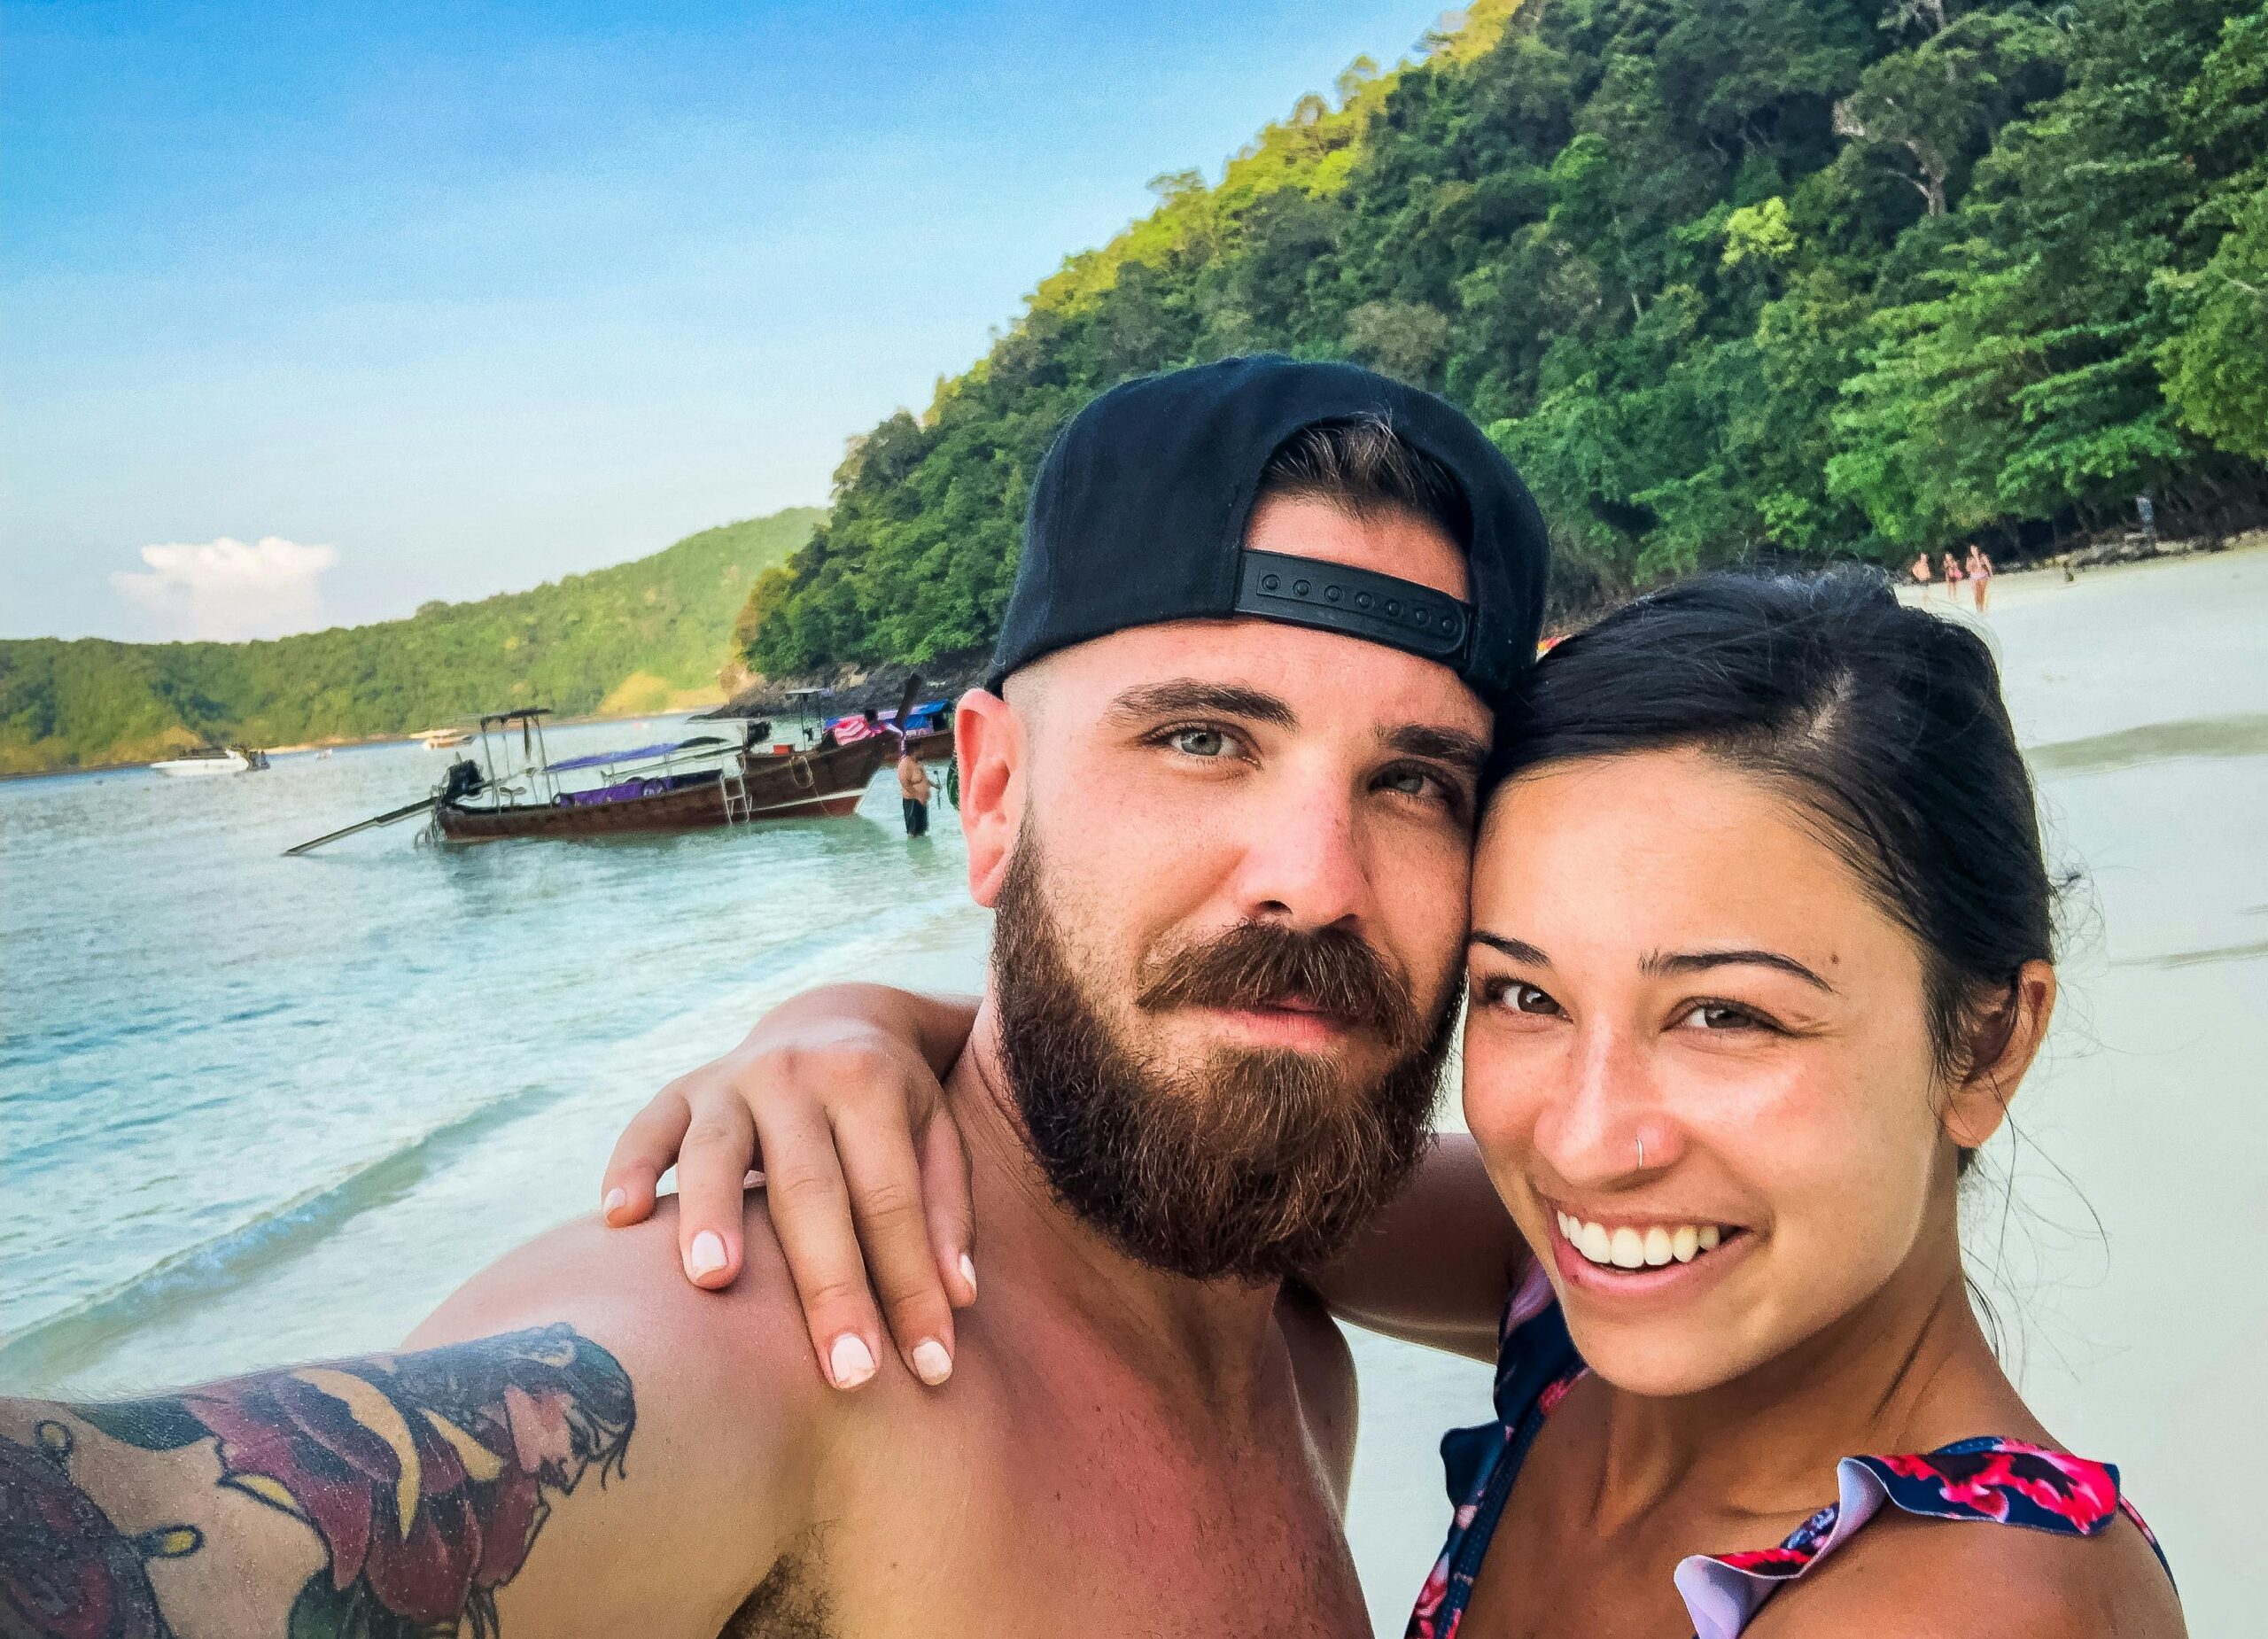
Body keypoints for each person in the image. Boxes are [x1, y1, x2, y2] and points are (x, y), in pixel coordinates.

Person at [0, 355, 1550, 1637]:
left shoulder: (1295, 1341)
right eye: (1204, 738)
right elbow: (155, 1529)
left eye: (1417, 779)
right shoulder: (788, 1349)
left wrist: (867, 1011)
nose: (1319, 878)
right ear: (992, 793)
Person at [608, 574, 2184, 1636]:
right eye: (1521, 996)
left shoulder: (1972, 1604)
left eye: (1724, 1015)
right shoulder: (1577, 1301)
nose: (1582, 1140)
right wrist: (865, 1029)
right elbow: (1201, 1139)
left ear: (1983, 1045)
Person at [896, 741, 932, 836]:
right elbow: (905, 784)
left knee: (922, 830)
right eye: (921, 750)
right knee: (913, 831)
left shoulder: (918, 763)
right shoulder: (905, 764)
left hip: (922, 800)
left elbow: (923, 779)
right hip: (912, 801)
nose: (923, 751)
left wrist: (934, 785)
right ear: (914, 751)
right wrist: (918, 796)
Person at [1969, 542, 1996, 612]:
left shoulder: (1983, 557)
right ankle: (1978, 609)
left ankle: (1983, 608)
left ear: (1977, 549)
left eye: (1974, 549)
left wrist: (1991, 574)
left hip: (1983, 576)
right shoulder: (1970, 559)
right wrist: (1971, 566)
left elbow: (1988, 566)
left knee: (1982, 593)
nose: (1973, 551)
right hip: (1974, 577)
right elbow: (1968, 569)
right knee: (1976, 594)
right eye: (1972, 550)